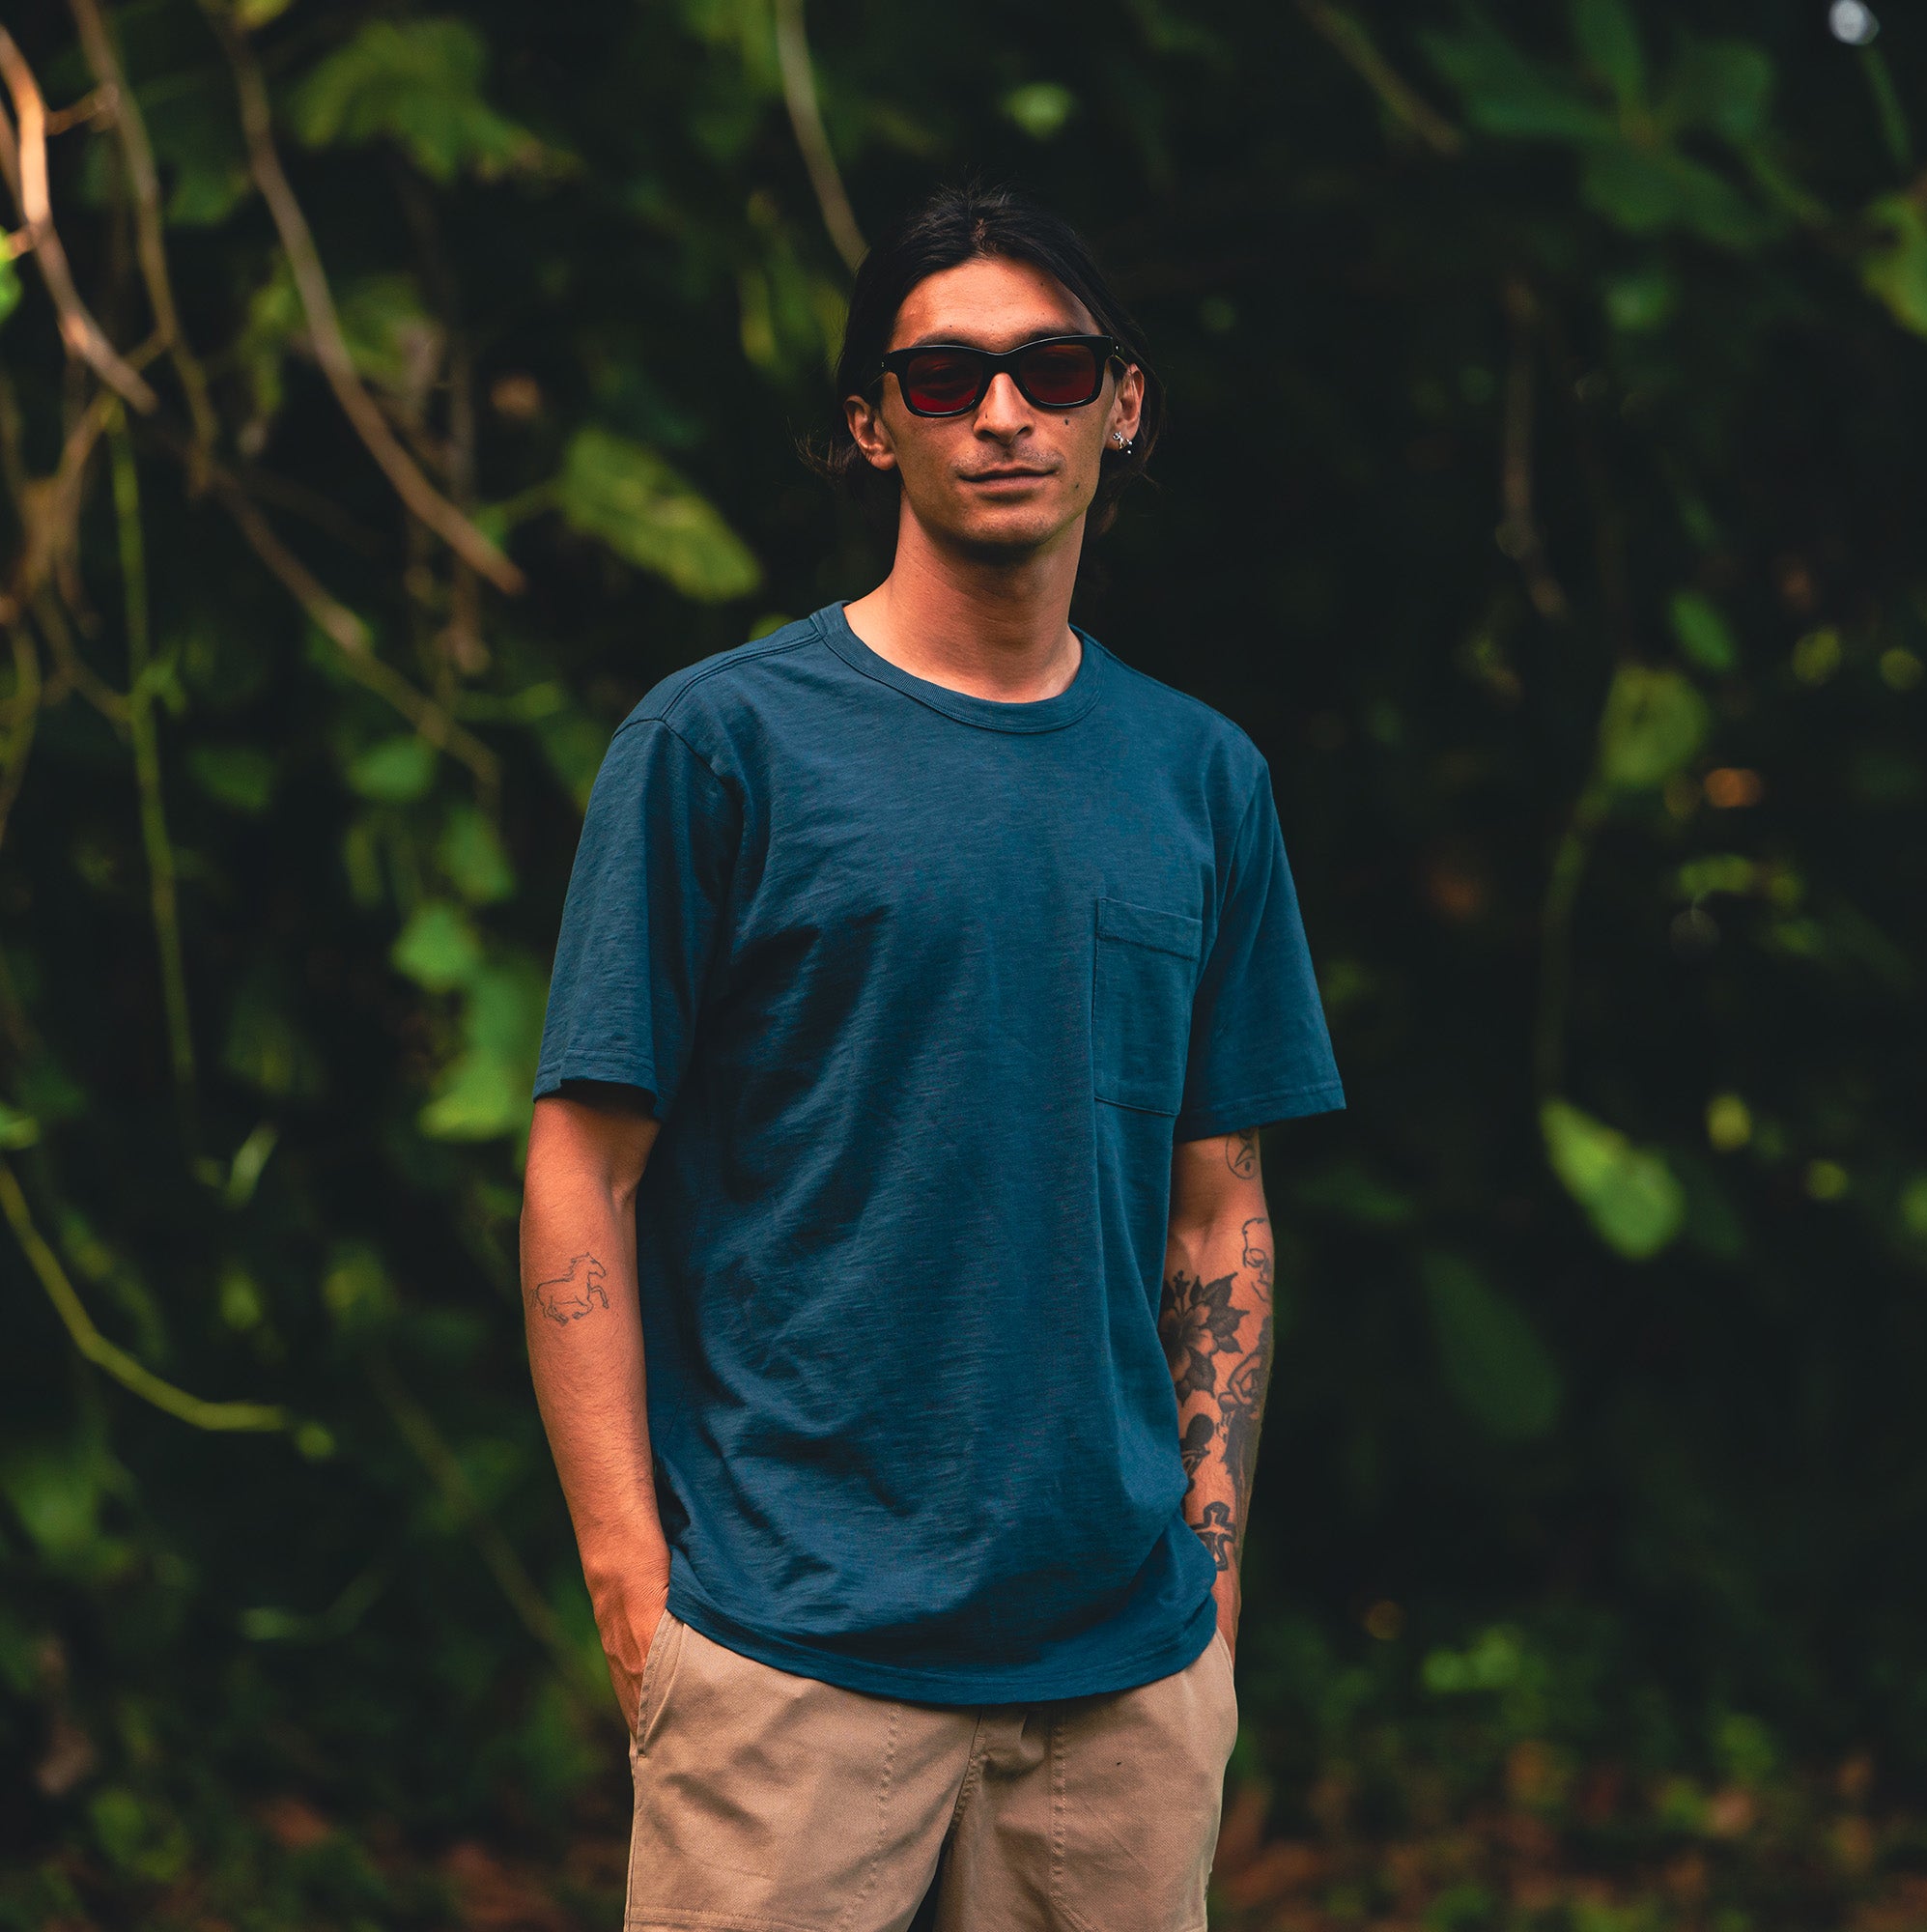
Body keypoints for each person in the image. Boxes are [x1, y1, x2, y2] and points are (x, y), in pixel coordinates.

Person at [521, 180, 1344, 1932]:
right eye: (944, 373)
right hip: (787, 1661)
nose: (1001, 411)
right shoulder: (721, 747)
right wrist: (629, 1585)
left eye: (1051, 368)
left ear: (1123, 406)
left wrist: (1209, 1572)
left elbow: (1219, 1205)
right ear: (867, 424)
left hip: (1119, 1683)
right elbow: (582, 1166)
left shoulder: (1201, 782)